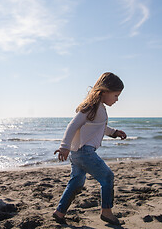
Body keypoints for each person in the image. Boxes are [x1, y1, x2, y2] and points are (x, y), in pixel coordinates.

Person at [53, 72, 127, 225]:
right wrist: (64, 147)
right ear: (105, 91)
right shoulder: (91, 107)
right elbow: (73, 125)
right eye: (116, 95)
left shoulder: (97, 108)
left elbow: (100, 128)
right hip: (84, 152)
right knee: (107, 177)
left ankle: (59, 213)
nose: (117, 99)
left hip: (77, 153)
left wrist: (113, 133)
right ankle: (106, 212)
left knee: (76, 183)